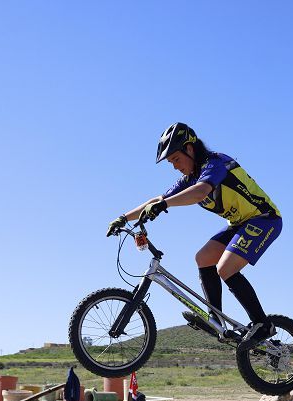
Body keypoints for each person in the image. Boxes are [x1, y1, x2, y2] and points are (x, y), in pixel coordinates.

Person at [107, 122, 281, 343]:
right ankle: (216, 319)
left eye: (176, 159)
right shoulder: (190, 177)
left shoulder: (216, 163)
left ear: (190, 148)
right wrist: (124, 217)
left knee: (225, 268)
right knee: (203, 258)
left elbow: (200, 192)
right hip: (239, 223)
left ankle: (263, 324)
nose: (175, 167)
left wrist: (165, 205)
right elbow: (157, 200)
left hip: (265, 219)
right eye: (171, 163)